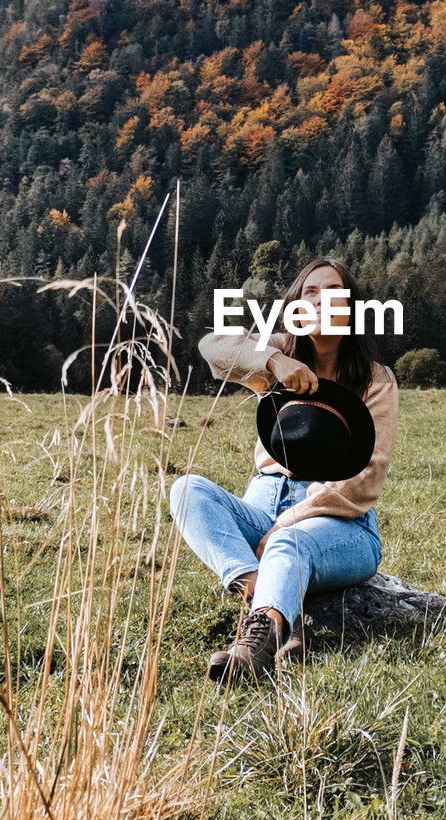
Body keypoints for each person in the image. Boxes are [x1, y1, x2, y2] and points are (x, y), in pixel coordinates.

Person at [169, 256, 399, 682]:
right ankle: (265, 594)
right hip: (263, 501)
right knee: (186, 490)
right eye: (309, 292)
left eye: (333, 292)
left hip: (339, 526)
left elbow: (364, 478)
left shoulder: (375, 378)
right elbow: (212, 346)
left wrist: (287, 522)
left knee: (288, 542)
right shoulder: (276, 353)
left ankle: (255, 645)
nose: (319, 301)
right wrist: (274, 363)